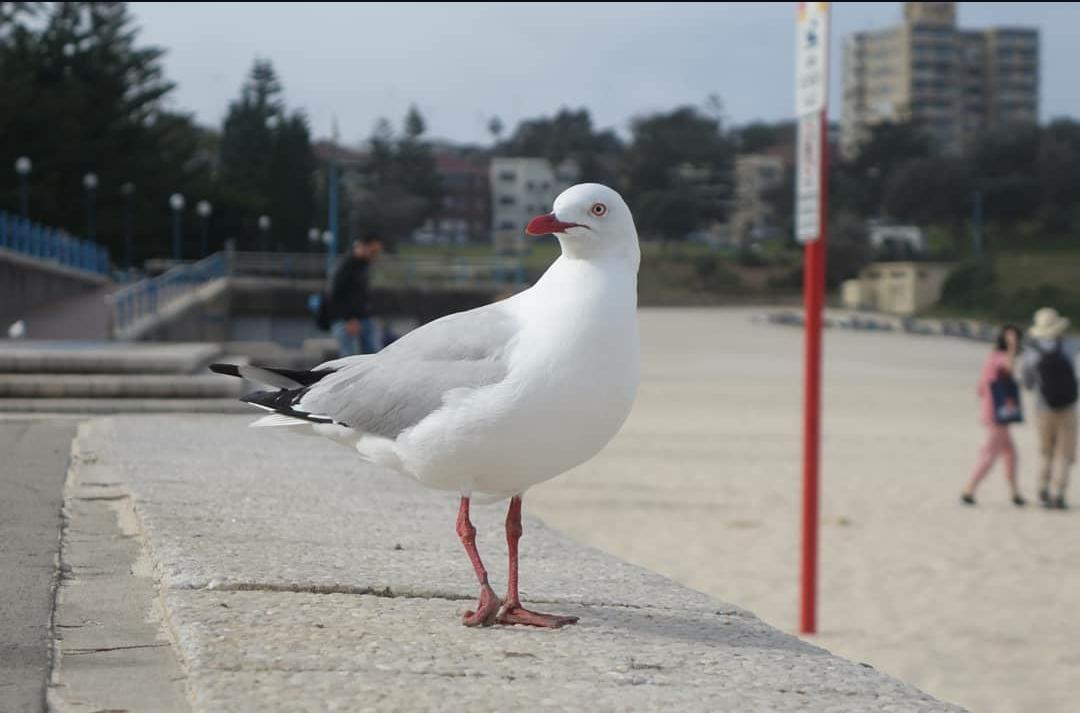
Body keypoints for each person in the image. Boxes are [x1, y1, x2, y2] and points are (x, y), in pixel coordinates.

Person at [961, 324, 1026, 507]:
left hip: (994, 411)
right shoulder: (999, 357)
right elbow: (1009, 367)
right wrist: (1012, 346)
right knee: (990, 453)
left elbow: (981, 387)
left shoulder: (991, 357)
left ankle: (1014, 493)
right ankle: (968, 489)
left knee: (1010, 453)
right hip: (996, 413)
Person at [1021, 307, 1079, 509]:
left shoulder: (1031, 353)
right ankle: (1059, 494)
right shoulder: (1070, 346)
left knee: (1047, 452)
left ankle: (1042, 492)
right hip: (1068, 407)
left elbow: (1028, 384)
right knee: (1065, 454)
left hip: (1043, 408)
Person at [328, 233, 382, 357]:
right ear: (362, 247)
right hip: (349, 321)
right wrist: (348, 318)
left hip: (362, 318)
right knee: (350, 361)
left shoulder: (362, 266)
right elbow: (335, 293)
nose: (375, 256)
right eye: (373, 252)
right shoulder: (348, 266)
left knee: (372, 357)